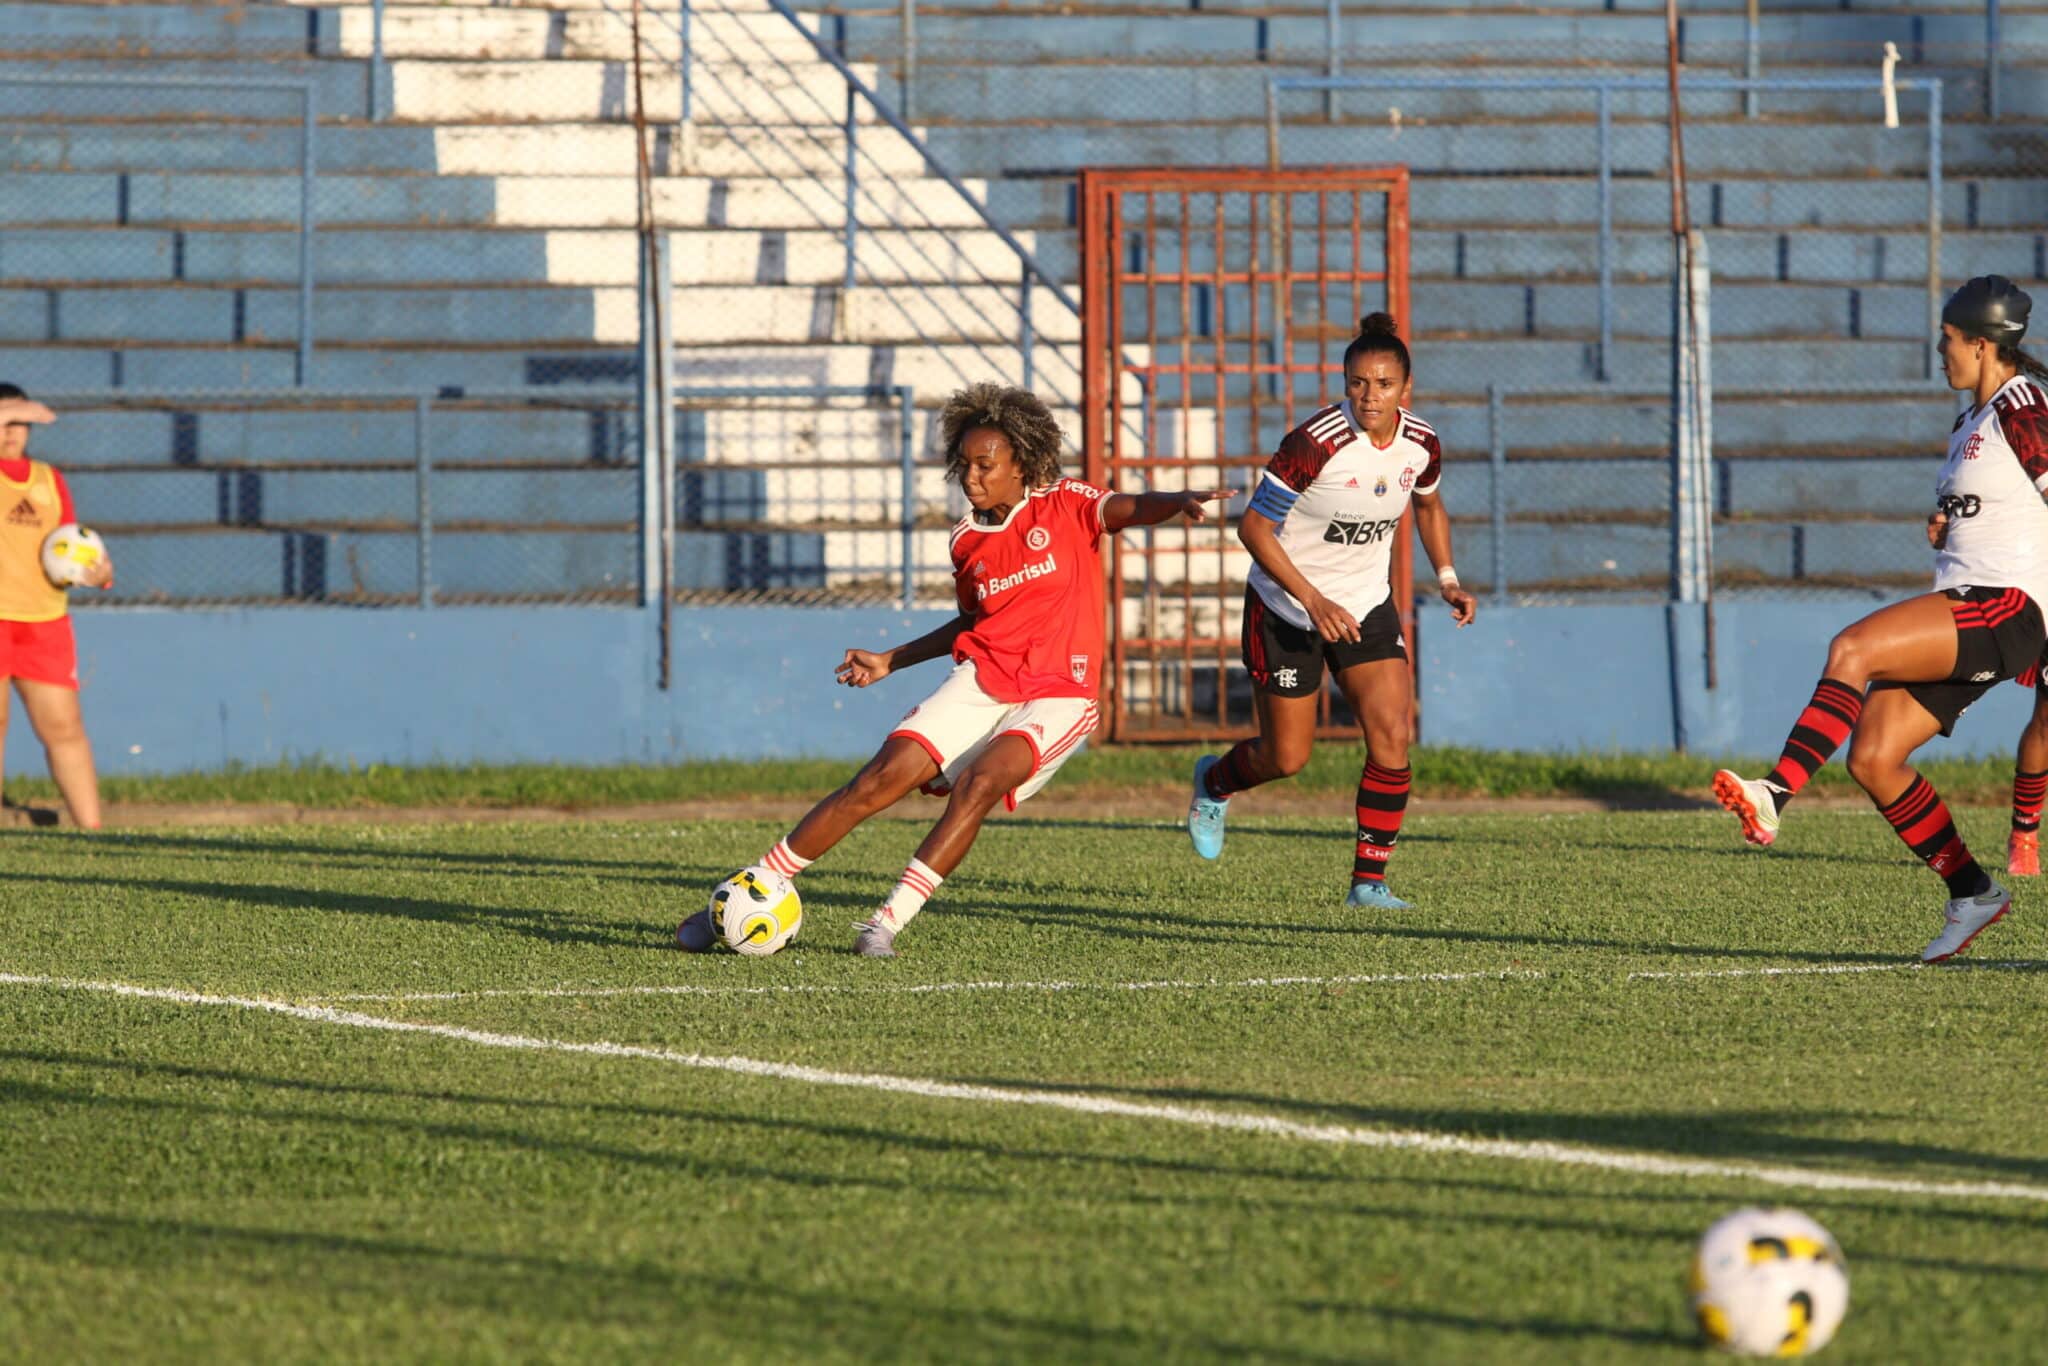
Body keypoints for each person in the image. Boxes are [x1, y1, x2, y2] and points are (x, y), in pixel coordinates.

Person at [680, 381, 1230, 957]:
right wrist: (893, 659)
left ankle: (883, 925)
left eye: (986, 464)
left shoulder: (1065, 502)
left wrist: (1175, 500)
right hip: (985, 678)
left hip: (1059, 692)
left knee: (979, 783)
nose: (972, 477)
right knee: (879, 778)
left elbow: (1126, 507)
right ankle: (753, 891)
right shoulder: (967, 540)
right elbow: (973, 620)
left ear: (1023, 464)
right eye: (964, 464)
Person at [1713, 275, 2048, 962]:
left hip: (2006, 609)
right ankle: (1973, 892)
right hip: (1975, 602)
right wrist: (1948, 523)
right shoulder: (1972, 421)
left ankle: (1775, 792)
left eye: (1949, 339)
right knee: (1872, 758)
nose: (1939, 350)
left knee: (1853, 648)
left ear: (1982, 345)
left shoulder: (2023, 407)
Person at [1184, 313, 1477, 910]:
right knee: (1285, 757)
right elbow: (1255, 528)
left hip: (1366, 605)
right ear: (1345, 383)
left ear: (1406, 387)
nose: (1370, 396)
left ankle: (1368, 884)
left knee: (1392, 733)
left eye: (1384, 384)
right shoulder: (1313, 442)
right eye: (1358, 384)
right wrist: (1312, 601)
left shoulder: (1421, 443)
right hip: (1286, 610)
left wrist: (1447, 578)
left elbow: (1428, 507)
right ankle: (1215, 782)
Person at [0, 384, 113, 829]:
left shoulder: (48, 479)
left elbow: (71, 544)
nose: (12, 431)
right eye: (5, 420)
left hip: (44, 621)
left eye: (21, 423)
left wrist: (98, 572)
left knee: (64, 729)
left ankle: (95, 834)